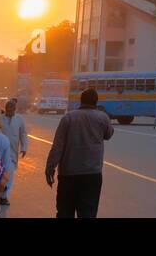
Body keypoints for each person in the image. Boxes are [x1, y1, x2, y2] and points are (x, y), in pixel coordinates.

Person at [45, 87, 113, 219]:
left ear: (80, 101)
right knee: (88, 213)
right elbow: (108, 134)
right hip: (92, 175)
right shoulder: (102, 117)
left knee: (65, 212)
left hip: (68, 175)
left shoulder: (68, 118)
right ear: (96, 102)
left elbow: (57, 146)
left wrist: (50, 168)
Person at [0, 99, 28, 209]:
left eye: (11, 109)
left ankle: (3, 196)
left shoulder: (19, 119)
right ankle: (1, 195)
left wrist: (24, 147)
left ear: (15, 109)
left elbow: (23, 134)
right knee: (2, 174)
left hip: (13, 151)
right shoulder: (0, 118)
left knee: (9, 174)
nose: (9, 111)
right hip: (1, 151)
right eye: (7, 109)